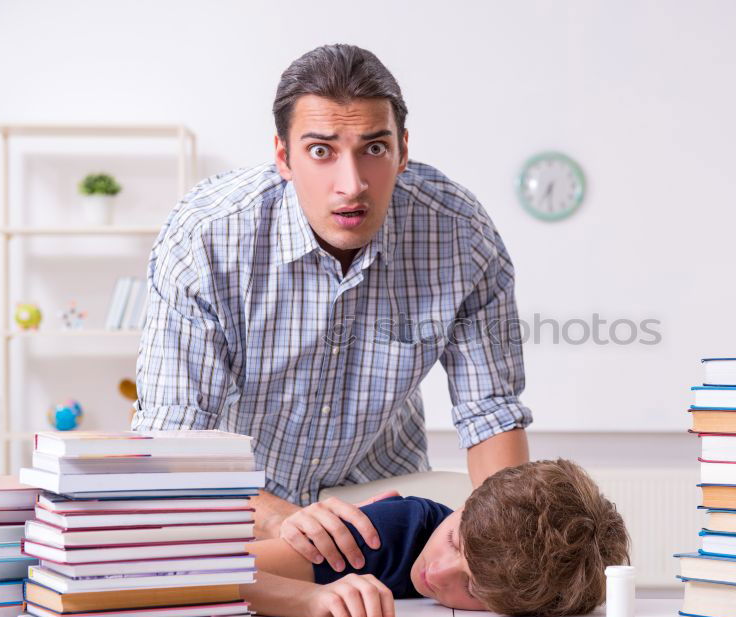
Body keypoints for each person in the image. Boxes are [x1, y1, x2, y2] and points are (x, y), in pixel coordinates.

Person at [131, 43, 533, 569]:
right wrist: (280, 517)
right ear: (283, 157)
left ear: (403, 150)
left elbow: (491, 414)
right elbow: (174, 439)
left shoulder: (458, 233)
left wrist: (504, 545)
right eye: (321, 151)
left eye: (374, 149)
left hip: (379, 503)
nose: (353, 185)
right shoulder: (207, 236)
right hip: (237, 504)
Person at [240, 460, 631, 617]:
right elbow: (194, 579)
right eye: (452, 541)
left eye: (474, 588)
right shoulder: (387, 533)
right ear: (466, 502)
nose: (437, 573)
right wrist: (310, 599)